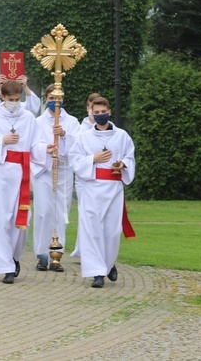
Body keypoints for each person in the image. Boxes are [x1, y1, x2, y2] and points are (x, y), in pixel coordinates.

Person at [0, 80, 47, 284]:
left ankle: (14, 257)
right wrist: (1, 141)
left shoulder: (28, 118)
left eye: (17, 99)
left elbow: (36, 144)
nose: (15, 103)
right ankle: (5, 265)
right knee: (0, 220)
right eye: (11, 99)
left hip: (21, 173)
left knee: (21, 220)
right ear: (2, 97)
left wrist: (46, 150)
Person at [69, 97, 135, 289]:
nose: (100, 115)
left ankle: (108, 263)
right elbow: (74, 160)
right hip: (92, 187)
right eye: (96, 113)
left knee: (111, 231)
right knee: (91, 230)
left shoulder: (122, 136)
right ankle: (96, 273)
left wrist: (123, 164)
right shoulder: (84, 137)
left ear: (109, 111)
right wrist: (93, 158)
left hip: (113, 188)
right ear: (92, 114)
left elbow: (129, 156)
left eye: (102, 112)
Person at [31, 85, 80, 272]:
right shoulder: (37, 122)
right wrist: (46, 148)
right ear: (46, 99)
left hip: (64, 170)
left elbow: (80, 144)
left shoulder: (72, 121)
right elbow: (32, 145)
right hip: (44, 170)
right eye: (51, 98)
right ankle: (42, 254)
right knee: (44, 211)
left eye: (58, 98)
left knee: (61, 212)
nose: (55, 102)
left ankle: (56, 255)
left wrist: (65, 135)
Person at [71, 91, 102, 257]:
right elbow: (75, 156)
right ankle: (84, 249)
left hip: (103, 179)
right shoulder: (81, 130)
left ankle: (94, 248)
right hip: (85, 177)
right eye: (92, 107)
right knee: (86, 214)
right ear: (88, 108)